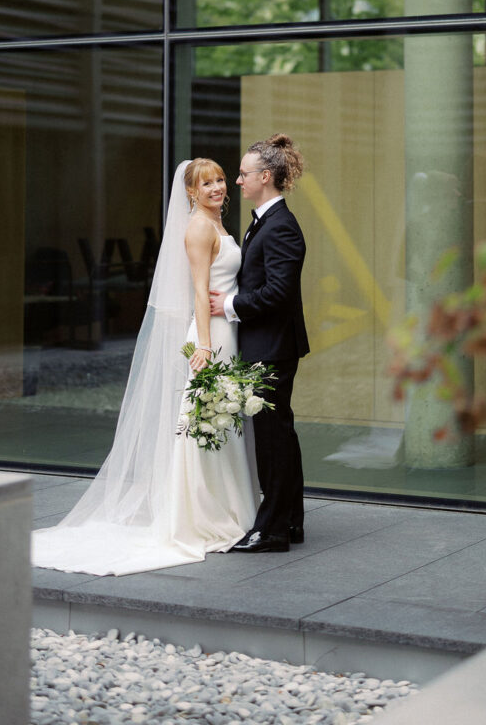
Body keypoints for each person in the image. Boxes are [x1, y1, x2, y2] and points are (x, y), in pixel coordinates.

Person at [31, 159, 258, 576]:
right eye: (206, 183)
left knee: (221, 423)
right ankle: (202, 515)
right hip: (213, 337)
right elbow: (197, 292)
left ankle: (230, 507)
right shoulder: (198, 229)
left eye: (221, 180)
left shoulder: (218, 226)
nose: (217, 188)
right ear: (190, 192)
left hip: (228, 330)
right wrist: (205, 345)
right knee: (206, 421)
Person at [210, 134, 309, 553]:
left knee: (273, 440)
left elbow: (278, 294)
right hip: (267, 344)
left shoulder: (281, 226)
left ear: (265, 177)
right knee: (280, 436)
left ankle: (272, 533)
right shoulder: (265, 221)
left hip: (272, 347)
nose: (236, 181)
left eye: (243, 174)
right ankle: (289, 522)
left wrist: (230, 304)